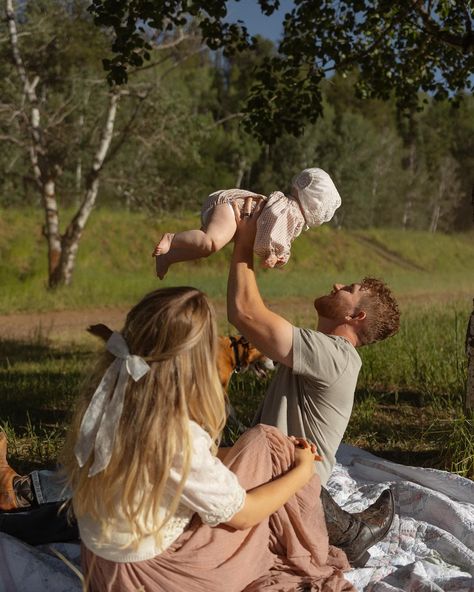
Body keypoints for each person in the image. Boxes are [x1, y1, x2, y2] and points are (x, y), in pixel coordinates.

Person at [50, 286, 354, 591]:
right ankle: (326, 535)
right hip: (156, 578)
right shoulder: (174, 432)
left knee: (264, 440)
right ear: (195, 358)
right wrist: (301, 472)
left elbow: (178, 468)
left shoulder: (110, 400)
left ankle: (334, 525)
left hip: (102, 565)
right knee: (275, 452)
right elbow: (245, 515)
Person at [226, 197, 401, 566]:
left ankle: (347, 531)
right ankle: (350, 530)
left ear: (357, 315)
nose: (336, 284)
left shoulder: (336, 357)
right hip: (273, 478)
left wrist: (243, 241)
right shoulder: (324, 350)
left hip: (284, 490)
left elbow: (245, 312)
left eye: (348, 288)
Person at [153, 167, 341, 278]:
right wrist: (271, 253)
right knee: (210, 241)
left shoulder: (294, 217)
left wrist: (280, 257)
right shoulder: (290, 208)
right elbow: (272, 225)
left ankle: (169, 256)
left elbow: (281, 239)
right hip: (233, 205)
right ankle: (171, 238)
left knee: (206, 249)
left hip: (233, 213)